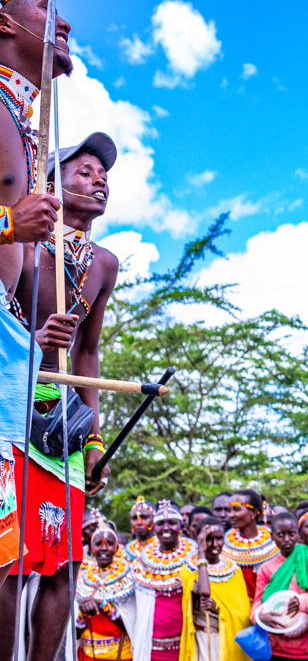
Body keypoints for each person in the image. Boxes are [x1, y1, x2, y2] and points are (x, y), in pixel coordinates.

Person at [4, 132, 119, 661]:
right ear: (50, 182)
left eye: (104, 176)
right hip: (11, 401)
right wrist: (31, 341)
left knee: (64, 563)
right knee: (8, 558)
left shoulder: (103, 263)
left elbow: (89, 353)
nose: (99, 181)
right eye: (85, 171)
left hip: (66, 414)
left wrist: (94, 438)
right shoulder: (21, 239)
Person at [0, 0, 71, 592]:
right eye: (45, 7)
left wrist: (32, 333)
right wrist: (6, 222)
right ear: (4, 22)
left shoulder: (19, 120)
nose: (64, 21)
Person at [251, 510, 308, 661]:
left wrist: (302, 602)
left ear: (298, 535)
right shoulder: (266, 568)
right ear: (272, 537)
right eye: (280, 534)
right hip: (276, 647)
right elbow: (258, 603)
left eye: (291, 533)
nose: (287, 539)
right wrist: (259, 617)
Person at [132, 500, 198, 661]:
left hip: (187, 642)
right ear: (154, 528)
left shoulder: (195, 556)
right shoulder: (141, 561)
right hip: (151, 645)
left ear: (181, 526)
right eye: (160, 523)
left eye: (172, 523)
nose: (166, 527)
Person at [180, 517, 251, 661]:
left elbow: (241, 613)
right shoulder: (189, 569)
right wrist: (201, 551)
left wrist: (218, 608)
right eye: (208, 539)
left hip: (226, 638)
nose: (214, 544)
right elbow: (204, 591)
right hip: (200, 638)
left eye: (219, 538)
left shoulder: (233, 570)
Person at [76, 517, 137, 661]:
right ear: (91, 547)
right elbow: (76, 633)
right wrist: (83, 612)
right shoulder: (82, 578)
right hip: (88, 655)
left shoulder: (129, 577)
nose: (104, 548)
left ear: (116, 547)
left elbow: (131, 624)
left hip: (121, 655)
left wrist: (102, 604)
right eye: (99, 543)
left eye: (109, 543)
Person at [223, 489, 279, 599]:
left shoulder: (276, 540)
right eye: (229, 510)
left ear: (253, 513)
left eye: (236, 509)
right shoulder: (223, 543)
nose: (230, 515)